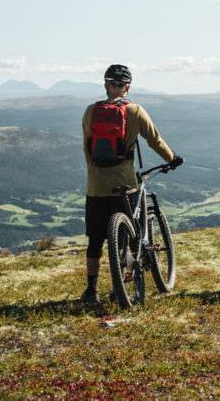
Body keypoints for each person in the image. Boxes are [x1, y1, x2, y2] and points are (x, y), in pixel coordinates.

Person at [79, 64, 183, 304]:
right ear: (128, 87)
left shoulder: (89, 111)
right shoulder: (135, 111)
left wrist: (94, 172)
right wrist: (172, 158)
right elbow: (155, 141)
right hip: (125, 184)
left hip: (95, 186)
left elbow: (87, 147)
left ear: (105, 85)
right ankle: (119, 289)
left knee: (95, 240)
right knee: (126, 239)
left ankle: (91, 291)